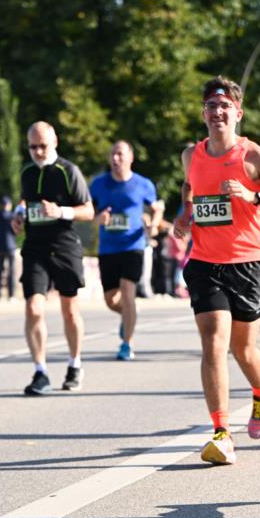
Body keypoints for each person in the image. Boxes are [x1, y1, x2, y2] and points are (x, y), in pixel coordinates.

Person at [173, 76, 260, 465]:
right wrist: (185, 214)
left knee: (244, 350)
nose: (217, 112)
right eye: (211, 106)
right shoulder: (190, 155)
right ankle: (221, 432)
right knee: (213, 343)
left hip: (248, 263)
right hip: (205, 262)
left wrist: (255, 196)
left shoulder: (253, 156)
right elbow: (190, 189)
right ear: (203, 113)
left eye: (225, 106)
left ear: (238, 113)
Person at [12, 121, 94, 394]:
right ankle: (40, 372)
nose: (37, 151)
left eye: (42, 146)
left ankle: (74, 364)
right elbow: (26, 202)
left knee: (69, 310)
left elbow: (88, 210)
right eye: (32, 146)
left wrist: (61, 212)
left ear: (55, 142)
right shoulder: (25, 171)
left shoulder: (68, 170)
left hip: (64, 245)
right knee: (34, 308)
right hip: (35, 247)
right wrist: (18, 214)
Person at [90, 140, 164, 360]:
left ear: (130, 157)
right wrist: (98, 219)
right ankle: (129, 314)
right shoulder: (98, 184)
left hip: (133, 246)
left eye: (120, 154)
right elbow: (88, 214)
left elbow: (156, 208)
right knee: (111, 299)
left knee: (128, 291)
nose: (115, 159)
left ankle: (126, 344)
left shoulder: (143, 184)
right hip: (107, 248)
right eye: (113, 154)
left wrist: (153, 224)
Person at [0, 195, 17, 301]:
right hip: (10, 247)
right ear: (9, 205)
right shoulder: (12, 216)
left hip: (0, 247)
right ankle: (11, 295)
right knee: (11, 272)